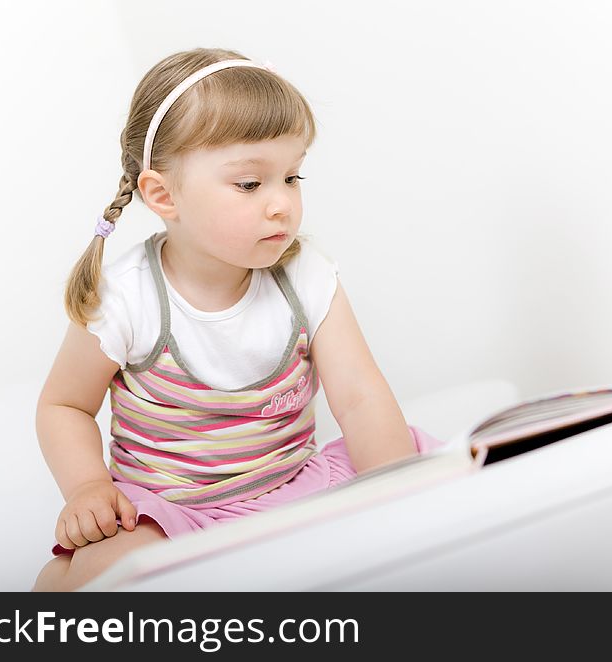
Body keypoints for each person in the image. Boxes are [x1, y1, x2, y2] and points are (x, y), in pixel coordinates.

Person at [32, 47, 442, 592]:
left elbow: (362, 398)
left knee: (418, 467)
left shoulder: (308, 278)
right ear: (162, 194)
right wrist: (86, 487)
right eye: (250, 184)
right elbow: (64, 405)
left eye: (292, 178)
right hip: (176, 513)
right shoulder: (128, 297)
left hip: (296, 483)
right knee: (104, 569)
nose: (281, 205)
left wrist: (395, 494)